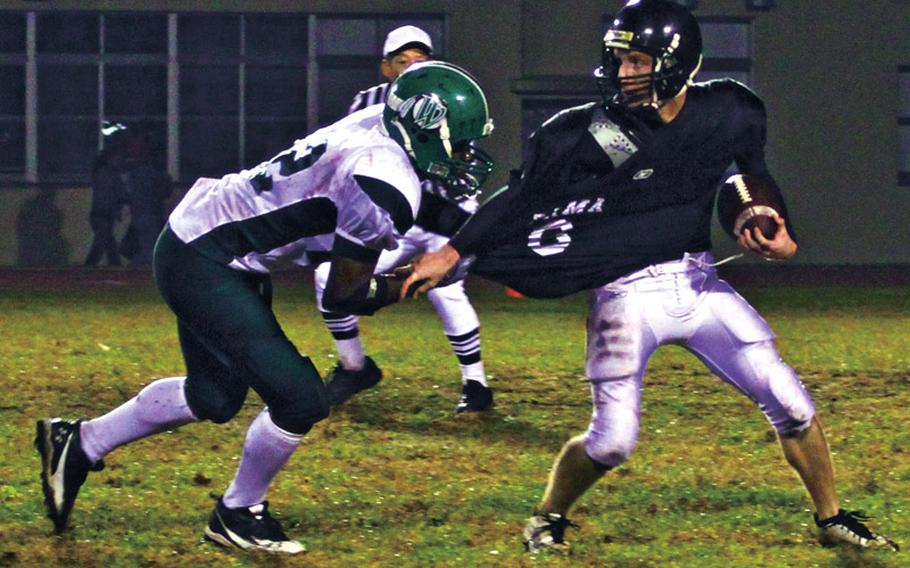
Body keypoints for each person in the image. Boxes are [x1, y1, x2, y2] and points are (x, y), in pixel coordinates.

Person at [403, 0, 898, 553]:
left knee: (793, 403)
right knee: (612, 442)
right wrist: (452, 252)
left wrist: (764, 219)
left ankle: (831, 517)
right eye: (619, 60)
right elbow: (521, 198)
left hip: (697, 282)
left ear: (676, 60)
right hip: (625, 292)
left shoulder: (729, 111)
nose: (623, 73)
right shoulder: (590, 132)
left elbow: (752, 177)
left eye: (638, 61)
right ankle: (549, 514)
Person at [35, 61, 494, 554]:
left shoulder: (379, 120)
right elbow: (344, 294)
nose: (467, 154)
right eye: (460, 142)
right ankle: (238, 513)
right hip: (207, 257)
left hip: (209, 239)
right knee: (300, 399)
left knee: (214, 395)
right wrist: (404, 284)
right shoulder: (386, 179)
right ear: (422, 129)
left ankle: (79, 443)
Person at [314, 25, 494, 413]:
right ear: (386, 67)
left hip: (443, 214)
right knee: (329, 279)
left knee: (447, 290)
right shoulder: (367, 103)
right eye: (403, 61)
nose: (413, 67)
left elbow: (462, 164)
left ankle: (476, 385)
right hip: (397, 217)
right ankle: (354, 366)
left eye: (421, 60)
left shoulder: (446, 97)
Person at [120, 123, 173, 267]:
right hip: (145, 212)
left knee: (147, 244)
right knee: (147, 244)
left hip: (146, 211)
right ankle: (143, 268)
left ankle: (141, 267)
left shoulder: (143, 170)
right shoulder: (145, 170)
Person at [84, 123, 128, 267]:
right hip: (103, 214)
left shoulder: (102, 173)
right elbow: (112, 195)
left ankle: (112, 265)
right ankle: (91, 266)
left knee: (107, 243)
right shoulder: (109, 174)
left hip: (101, 214)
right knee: (103, 243)